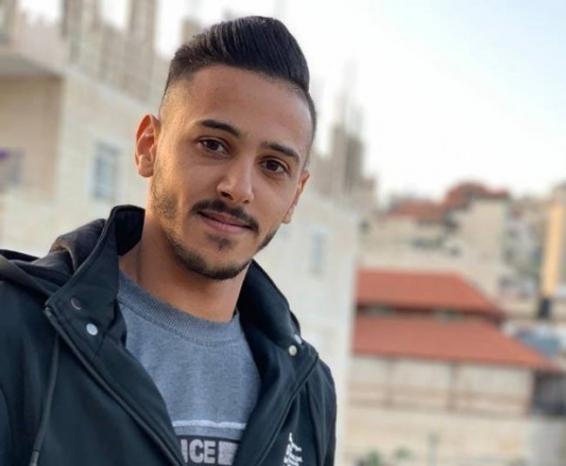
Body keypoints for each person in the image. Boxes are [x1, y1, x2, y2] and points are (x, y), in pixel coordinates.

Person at [0, 16, 336, 466]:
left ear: (295, 195)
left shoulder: (308, 390)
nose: (238, 188)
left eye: (273, 166)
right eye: (213, 145)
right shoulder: (16, 330)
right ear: (148, 146)